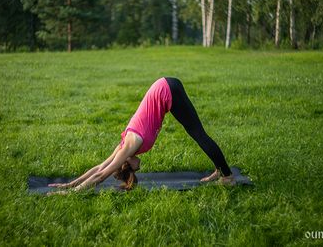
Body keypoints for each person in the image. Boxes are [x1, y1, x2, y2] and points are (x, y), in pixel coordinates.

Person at [48, 77, 235, 194]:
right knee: (196, 132)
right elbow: (99, 166)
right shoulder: (124, 146)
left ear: (127, 162)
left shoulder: (129, 146)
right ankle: (220, 169)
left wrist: (71, 192)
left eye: (134, 169)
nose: (139, 167)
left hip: (166, 90)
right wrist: (69, 184)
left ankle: (227, 176)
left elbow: (102, 174)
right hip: (165, 87)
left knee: (198, 133)